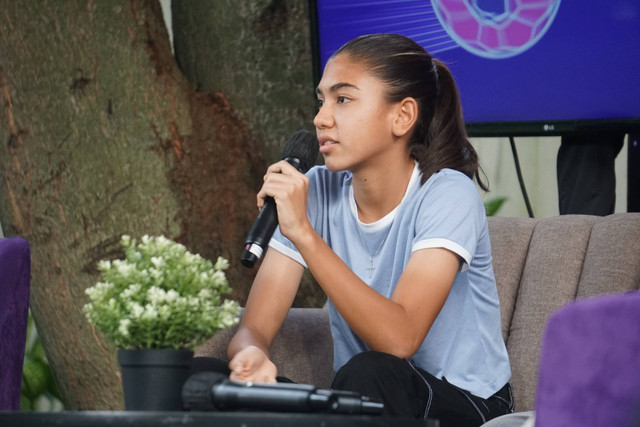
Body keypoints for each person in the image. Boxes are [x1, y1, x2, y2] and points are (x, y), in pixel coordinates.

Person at [219, 33, 513, 426]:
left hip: (464, 402)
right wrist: (248, 356)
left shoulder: (447, 194)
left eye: (343, 99)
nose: (321, 118)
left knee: (371, 371)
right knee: (204, 381)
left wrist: (304, 233)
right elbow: (255, 326)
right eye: (321, 100)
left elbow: (400, 339)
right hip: (360, 401)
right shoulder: (319, 188)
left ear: (402, 116)